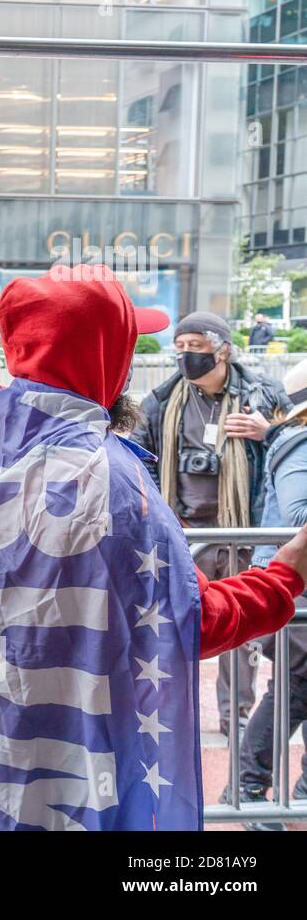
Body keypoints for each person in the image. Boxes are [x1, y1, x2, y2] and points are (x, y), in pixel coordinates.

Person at [0, 262, 304, 830]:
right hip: (85, 776)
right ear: (102, 356)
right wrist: (286, 573)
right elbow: (189, 621)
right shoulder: (108, 476)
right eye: (127, 345)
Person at [130, 311, 290, 735]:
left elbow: (295, 448)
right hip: (185, 537)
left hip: (242, 533)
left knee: (240, 630)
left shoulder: (264, 395)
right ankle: (169, 718)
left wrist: (267, 432)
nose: (186, 357)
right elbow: (139, 463)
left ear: (223, 349)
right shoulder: (163, 400)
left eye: (196, 348)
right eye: (180, 348)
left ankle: (235, 716)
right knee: (175, 625)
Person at [235, 355, 307, 828]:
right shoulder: (298, 444)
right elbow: (298, 517)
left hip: (295, 582)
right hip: (295, 584)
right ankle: (246, 786)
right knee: (295, 689)